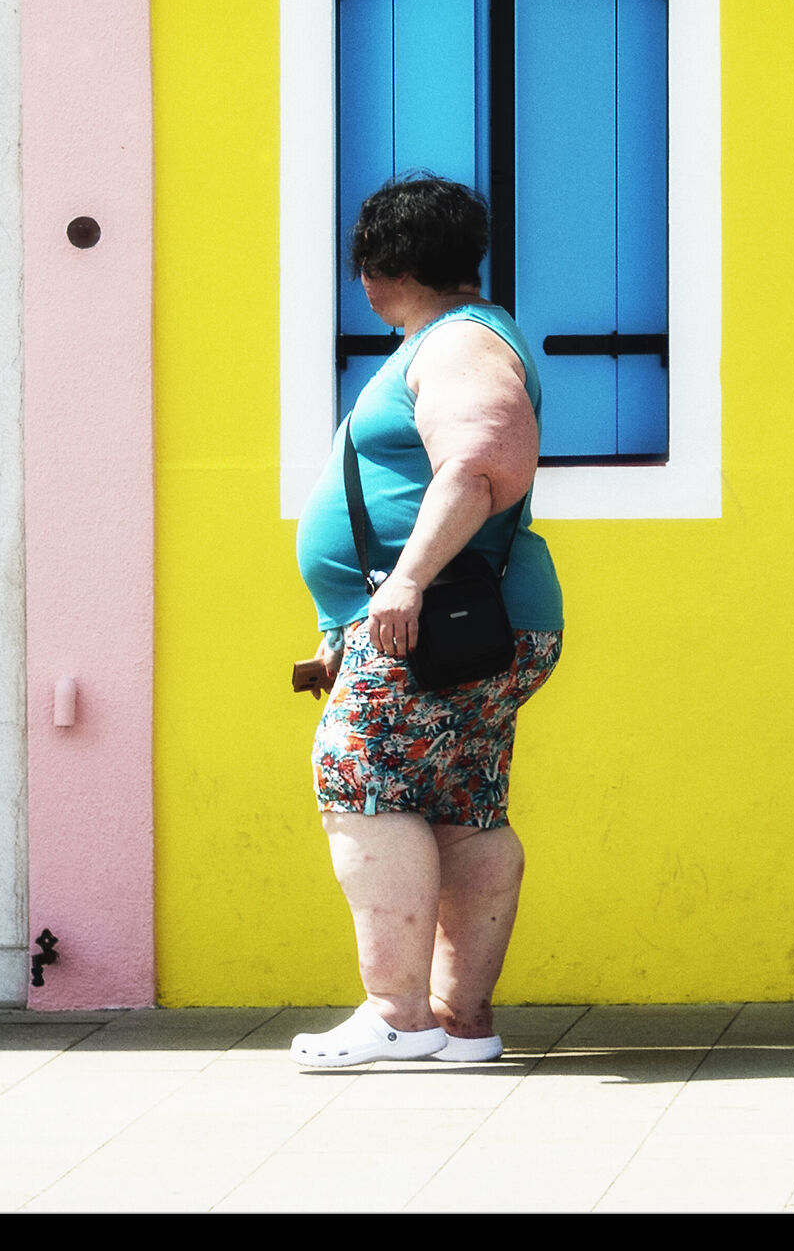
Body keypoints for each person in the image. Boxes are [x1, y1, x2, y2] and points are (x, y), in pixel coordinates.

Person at [289, 176, 564, 1067]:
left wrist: (403, 585)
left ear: (382, 265)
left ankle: (398, 1015)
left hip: (436, 612)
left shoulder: (458, 345)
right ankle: (457, 1022)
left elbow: (481, 458)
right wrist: (345, 631)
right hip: (469, 615)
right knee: (461, 802)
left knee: (359, 776)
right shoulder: (459, 337)